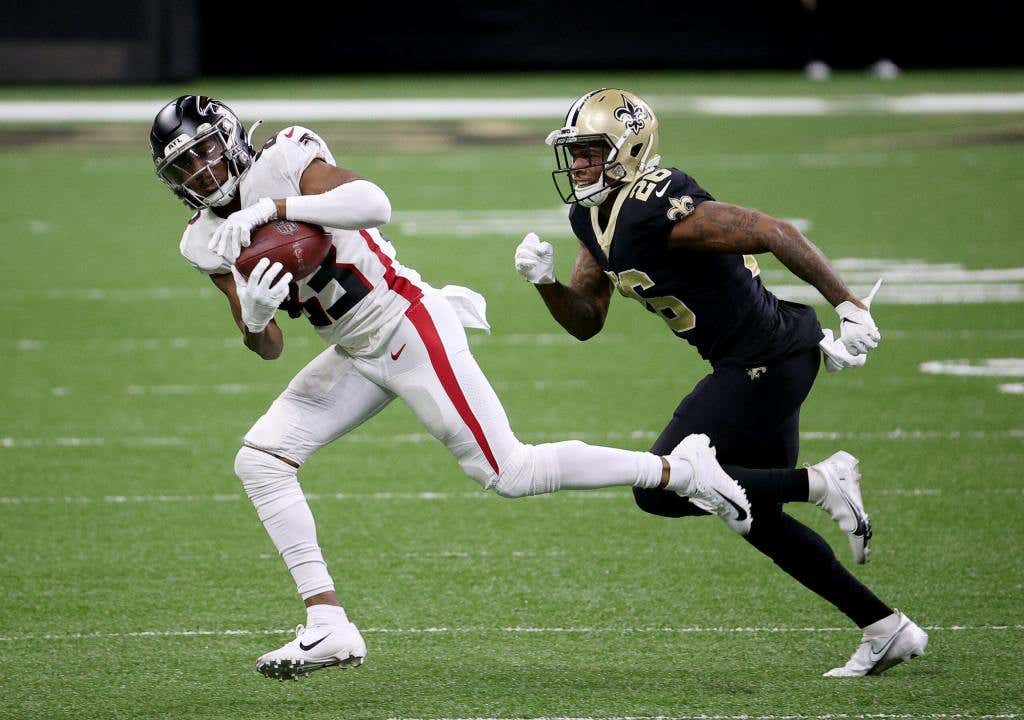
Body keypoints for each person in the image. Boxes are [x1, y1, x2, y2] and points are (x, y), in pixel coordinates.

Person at [151, 94, 826, 681]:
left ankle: (679, 469)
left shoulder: (285, 157)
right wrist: (259, 317)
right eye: (184, 166)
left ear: (234, 137)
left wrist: (276, 205)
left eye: (206, 152)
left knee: (510, 471)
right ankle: (327, 622)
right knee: (261, 459)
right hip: (352, 349)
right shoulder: (201, 240)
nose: (202, 172)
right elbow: (263, 344)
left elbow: (373, 203)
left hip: (403, 322)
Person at [514, 88, 928, 677]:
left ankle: (819, 481)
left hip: (766, 361)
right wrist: (547, 282)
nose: (577, 163)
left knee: (656, 486)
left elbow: (776, 231)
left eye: (589, 150)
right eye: (573, 151)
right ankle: (885, 628)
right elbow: (587, 320)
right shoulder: (591, 214)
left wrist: (849, 305)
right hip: (760, 358)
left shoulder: (657, 205)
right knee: (759, 516)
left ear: (629, 150)